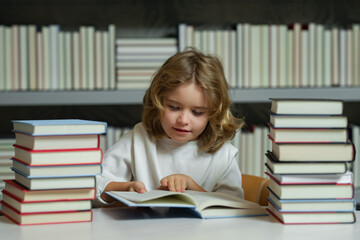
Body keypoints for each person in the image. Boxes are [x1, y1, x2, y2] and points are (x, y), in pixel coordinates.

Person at [95, 48, 245, 205]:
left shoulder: (223, 155)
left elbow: (234, 205)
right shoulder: (138, 139)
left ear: (214, 113)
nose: (183, 120)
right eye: (174, 107)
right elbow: (94, 181)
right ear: (158, 101)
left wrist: (191, 186)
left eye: (197, 112)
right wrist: (125, 188)